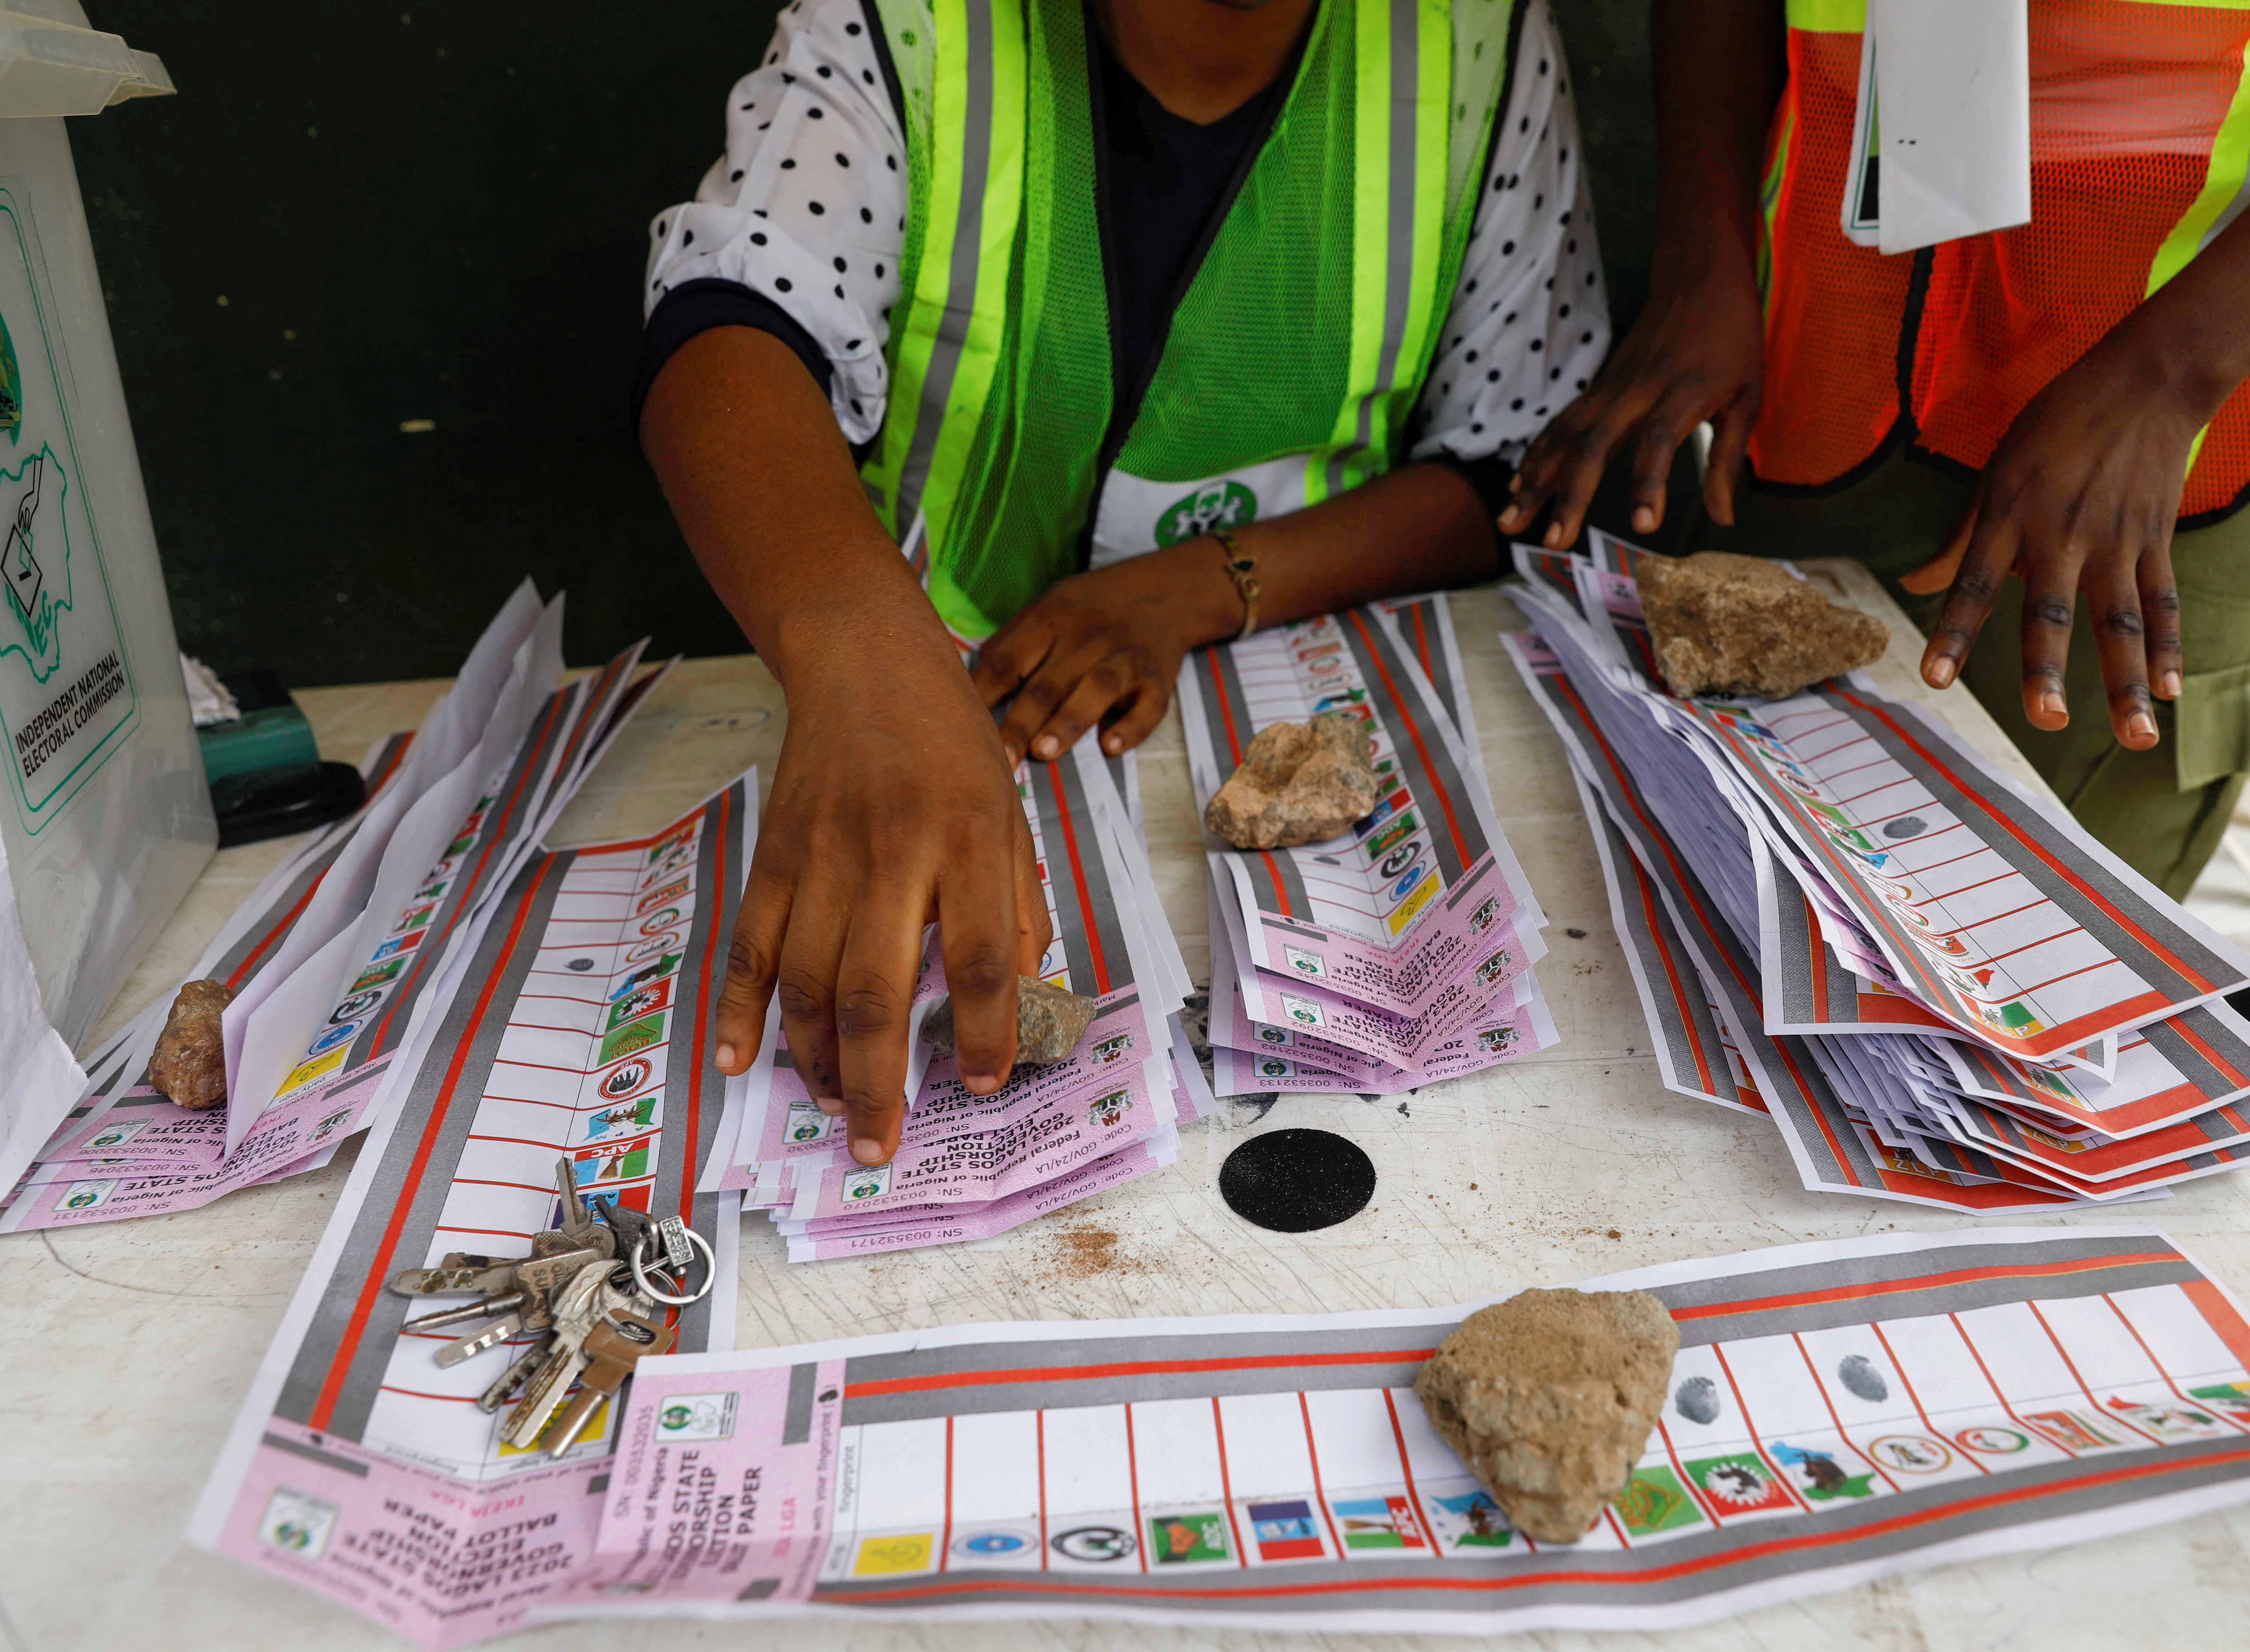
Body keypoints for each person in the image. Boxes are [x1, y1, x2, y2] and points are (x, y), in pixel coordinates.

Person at [636, 0, 1610, 1165]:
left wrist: (1196, 585)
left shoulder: (1472, 36)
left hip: (1287, 718)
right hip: (936, 713)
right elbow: (729, 322)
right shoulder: (903, 25)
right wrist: (863, 659)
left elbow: (1509, 459)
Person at [1502, 0, 2250, 899]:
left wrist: (2167, 378)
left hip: (2245, 267)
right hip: (1852, 191)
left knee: (2043, 875)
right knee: (1744, 759)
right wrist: (1701, 243)